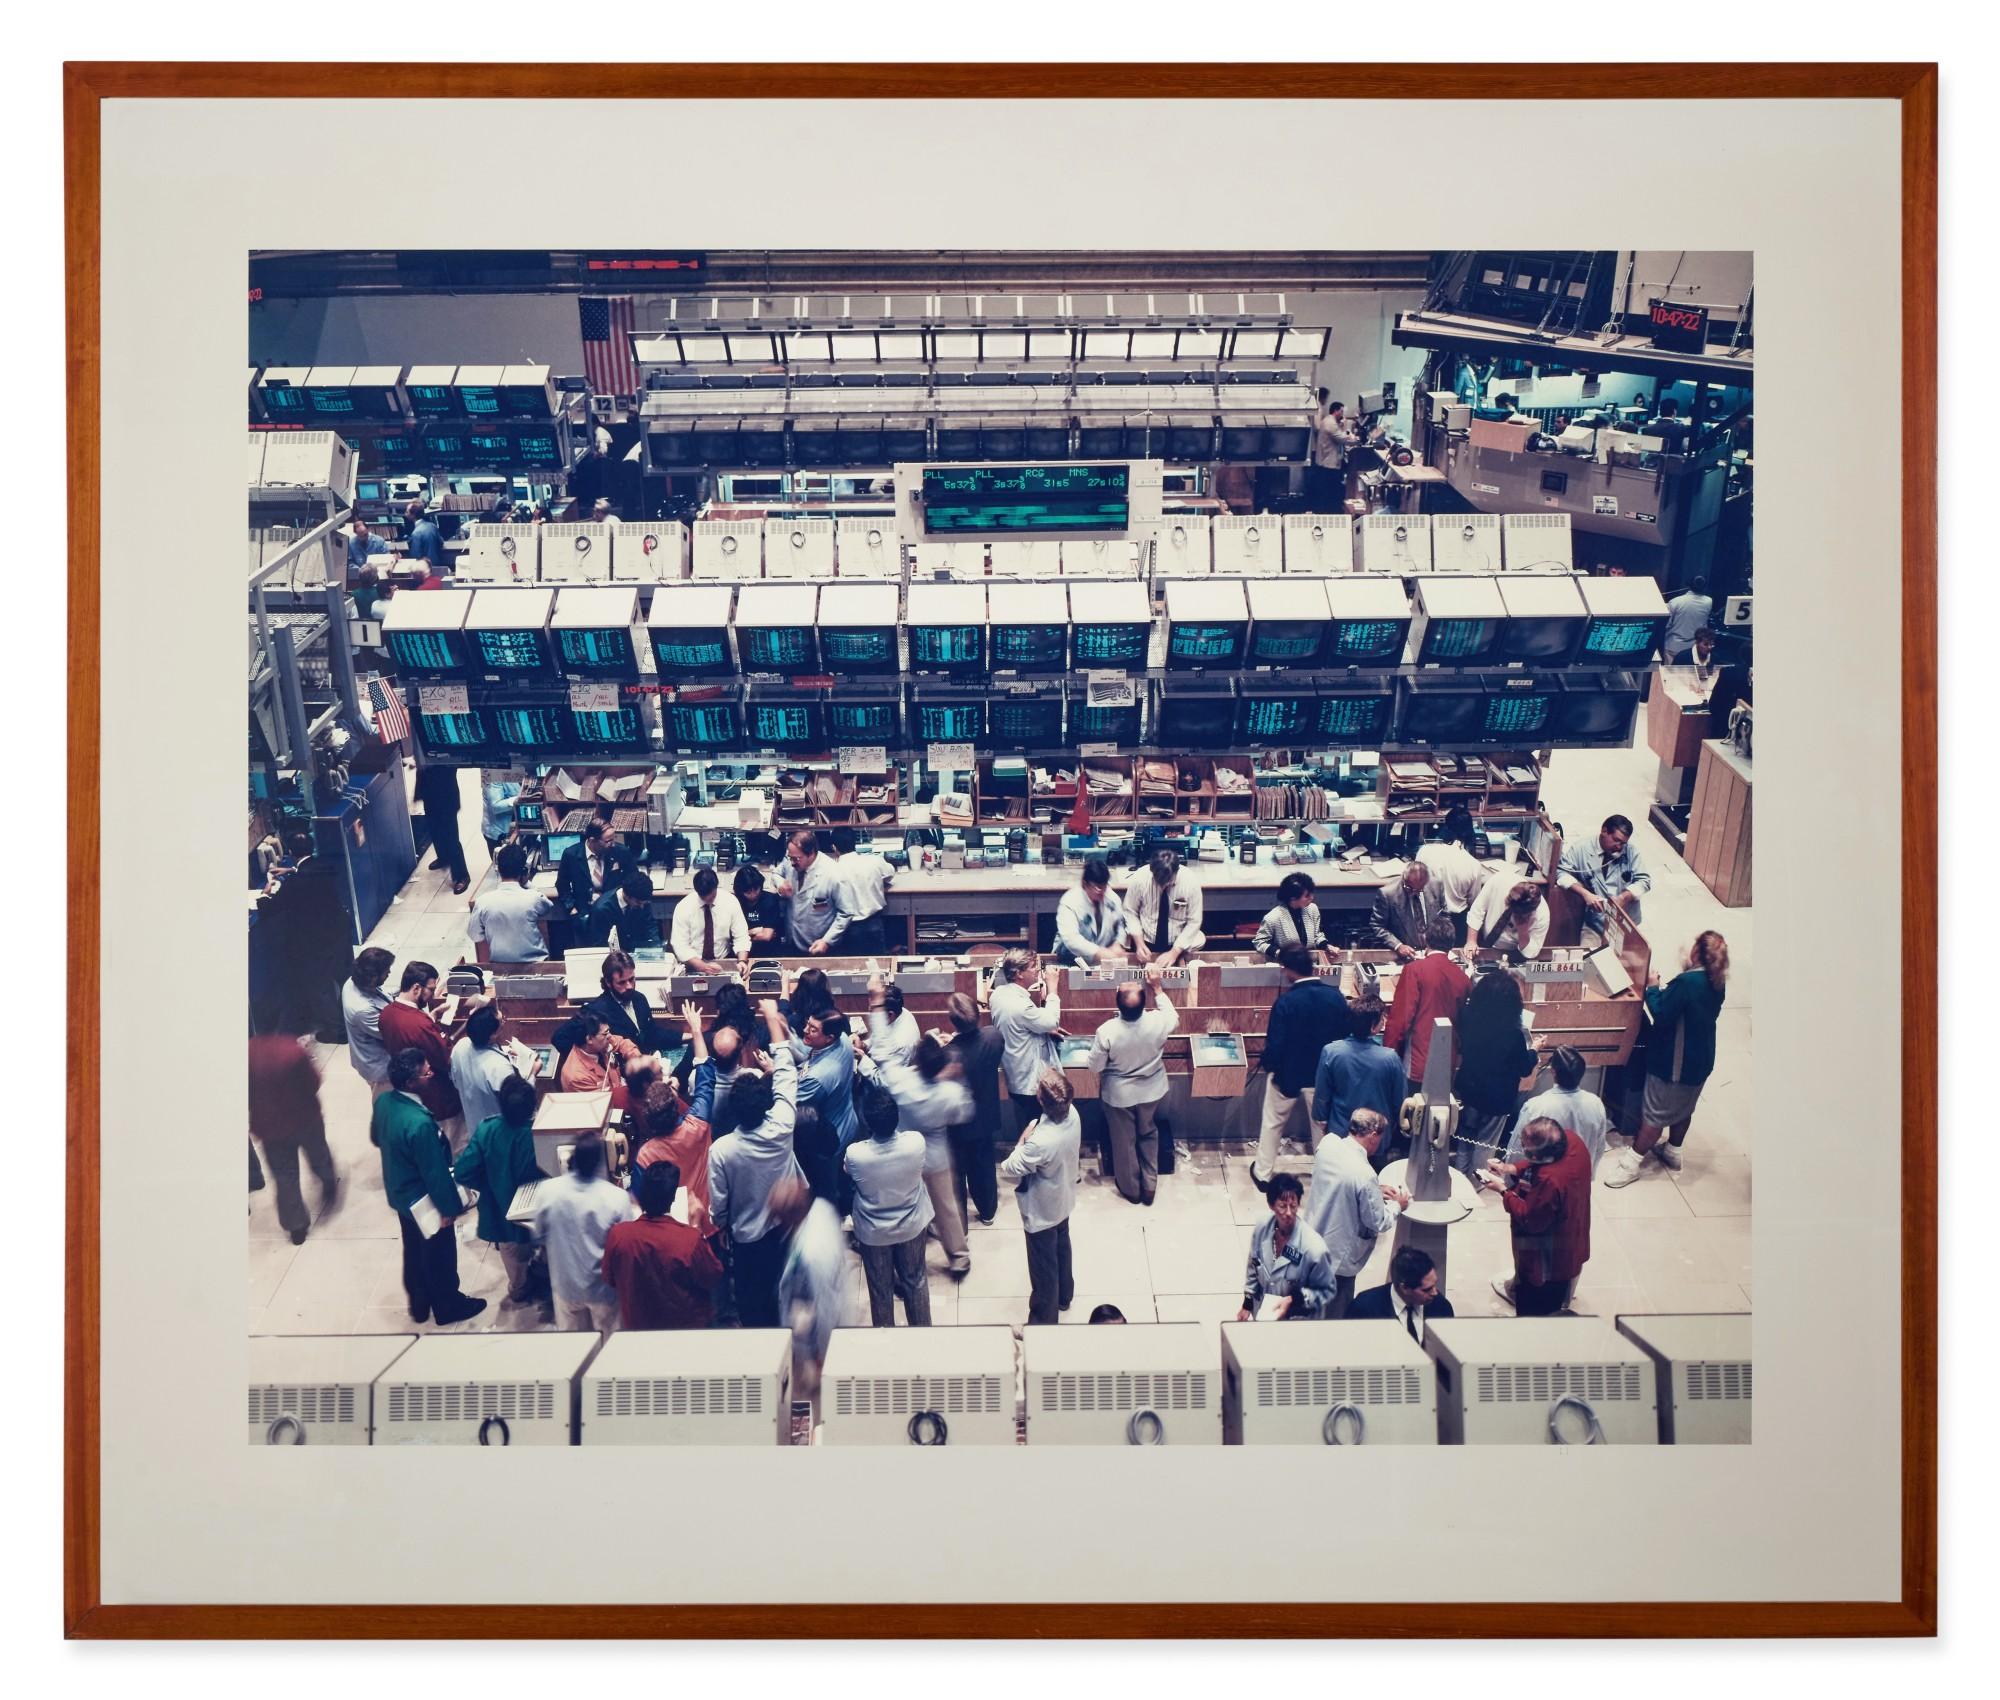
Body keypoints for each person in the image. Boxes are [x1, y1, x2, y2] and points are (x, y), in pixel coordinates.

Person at [1605, 931, 1730, 1187]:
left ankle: (1631, 1164)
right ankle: (1673, 1151)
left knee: (1654, 1115)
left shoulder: (1687, 983)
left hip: (1673, 1064)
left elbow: (1662, 1014)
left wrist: (1652, 987)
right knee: (1685, 1108)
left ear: (1697, 952)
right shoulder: (1717, 980)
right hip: (1700, 1060)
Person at [374, 1048, 485, 1326]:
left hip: (400, 1194)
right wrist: (449, 1209)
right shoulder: (420, 1124)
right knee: (439, 1255)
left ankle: (419, 1305)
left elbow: (377, 1137)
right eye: (426, 1073)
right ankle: (448, 1306)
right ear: (411, 1083)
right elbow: (434, 1173)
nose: (431, 1074)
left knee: (413, 1251)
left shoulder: (385, 1101)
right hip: (424, 1200)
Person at [707, 1038, 804, 1327]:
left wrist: (720, 1223)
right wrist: (780, 1043)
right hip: (784, 1228)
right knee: (783, 1293)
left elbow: (719, 1199)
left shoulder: (722, 1150)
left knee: (751, 1303)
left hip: (747, 1237)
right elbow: (787, 1082)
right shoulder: (782, 1126)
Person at [874, 1027, 975, 1278]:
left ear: (917, 1062)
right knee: (947, 1208)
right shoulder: (950, 1092)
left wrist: (876, 1009)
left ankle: (905, 1264)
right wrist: (954, 1079)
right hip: (937, 1156)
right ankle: (959, 1258)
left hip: (905, 1154)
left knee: (904, 1208)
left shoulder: (901, 1082)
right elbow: (963, 1113)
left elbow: (882, 1056)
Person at [1252, 945, 1351, 1190]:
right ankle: (1324, 1175)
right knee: (1321, 1129)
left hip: (1288, 1076)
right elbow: (1344, 1038)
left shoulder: (1285, 1002)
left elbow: (1275, 1045)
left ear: (1287, 970)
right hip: (1323, 1077)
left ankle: (1263, 1174)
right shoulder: (1336, 997)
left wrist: (1270, 1068)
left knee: (1273, 1123)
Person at [843, 1076, 933, 1326]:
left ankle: (885, 1340)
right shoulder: (916, 1142)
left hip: (874, 1232)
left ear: (867, 1122)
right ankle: (924, 1334)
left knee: (880, 1289)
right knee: (916, 1281)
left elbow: (847, 1171)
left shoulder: (856, 1154)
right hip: (912, 1224)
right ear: (896, 1117)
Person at [1302, 1108, 1407, 1317]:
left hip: (1312, 1239)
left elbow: (1341, 1181)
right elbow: (1378, 1222)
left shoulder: (1328, 1144)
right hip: (1338, 1259)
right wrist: (1398, 1205)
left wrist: (1375, 1190)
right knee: (1336, 1314)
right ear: (1373, 1135)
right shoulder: (1364, 1174)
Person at [1087, 963, 1178, 1206]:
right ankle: (1149, 1186)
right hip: (1152, 1090)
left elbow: (1094, 1066)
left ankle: (1131, 1189)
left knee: (1124, 1141)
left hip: (1119, 1096)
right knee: (1148, 1133)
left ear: (1117, 1004)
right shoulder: (1159, 1021)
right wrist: (1157, 988)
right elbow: (1173, 1017)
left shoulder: (1107, 1031)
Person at [451, 1073, 546, 1305]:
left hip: (501, 1209)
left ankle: (519, 1289)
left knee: (512, 1253)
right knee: (545, 1245)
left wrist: (490, 1184)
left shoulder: (487, 1129)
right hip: (538, 1207)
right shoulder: (540, 1134)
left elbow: (463, 1171)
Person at [1481, 1115, 1591, 1315]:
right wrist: (1510, 1168)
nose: (1522, 1149)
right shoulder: (1572, 1140)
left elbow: (1530, 1219)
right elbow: (1535, 1163)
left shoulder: (1550, 1181)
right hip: (1572, 1236)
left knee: (1536, 1309)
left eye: (1525, 1147)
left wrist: (1503, 1191)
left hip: (1548, 1258)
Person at [1000, 1066, 1082, 1325]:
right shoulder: (1074, 1114)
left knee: (1043, 1268)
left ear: (1041, 1101)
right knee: (1062, 1247)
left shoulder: (1040, 1141)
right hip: (1064, 1196)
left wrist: (1024, 1138)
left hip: (1042, 1209)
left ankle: (1043, 1322)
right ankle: (1065, 1296)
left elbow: (1010, 1166)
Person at [602, 1157, 725, 1330]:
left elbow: (609, 1278)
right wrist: (697, 1225)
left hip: (638, 1327)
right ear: (673, 1197)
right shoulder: (690, 1239)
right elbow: (712, 1276)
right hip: (686, 1329)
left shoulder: (618, 1235)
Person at [534, 1134, 637, 1333]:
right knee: (609, 1340)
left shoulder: (548, 1191)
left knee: (573, 1344)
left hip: (565, 1284)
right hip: (602, 1288)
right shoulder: (616, 1198)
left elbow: (539, 1234)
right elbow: (626, 1245)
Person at [772, 1173, 855, 1412]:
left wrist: (821, 1355)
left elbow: (825, 1305)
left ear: (788, 1216)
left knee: (819, 1405)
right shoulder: (820, 1209)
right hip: (811, 1321)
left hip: (818, 1342)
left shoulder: (813, 1254)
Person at [248, 1034, 340, 1246]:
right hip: (304, 1118)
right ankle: (328, 1182)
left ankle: (296, 1226)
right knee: (318, 1154)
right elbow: (313, 1082)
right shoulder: (292, 1051)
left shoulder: (247, 1053)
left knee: (284, 1176)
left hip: (270, 1126)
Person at [1451, 969, 1536, 1176]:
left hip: (1470, 1089)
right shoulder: (1514, 1035)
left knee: (1466, 1137)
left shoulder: (1467, 1020)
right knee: (1485, 1144)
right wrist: (1534, 1051)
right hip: (1497, 1099)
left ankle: (1460, 1176)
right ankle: (1477, 1182)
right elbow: (1525, 1068)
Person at [377, 960, 466, 1150]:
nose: (432, 995)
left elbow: (410, 1038)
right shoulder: (420, 1024)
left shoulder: (386, 1015)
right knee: (455, 1148)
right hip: (440, 1099)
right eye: (431, 989)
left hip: (412, 1095)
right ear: (416, 988)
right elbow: (446, 1059)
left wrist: (429, 1019)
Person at [767, 998, 860, 1174]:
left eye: (813, 1029)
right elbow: (809, 1052)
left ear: (829, 1038)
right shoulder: (842, 1039)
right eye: (807, 1024)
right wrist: (786, 1031)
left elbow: (787, 1098)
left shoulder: (818, 1077)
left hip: (830, 1138)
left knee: (827, 1180)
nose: (805, 1030)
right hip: (846, 1116)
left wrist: (775, 1069)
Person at [1313, 996, 1408, 1160]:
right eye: (1382, 1018)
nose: (1384, 1021)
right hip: (1376, 1138)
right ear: (1373, 1026)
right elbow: (1399, 1102)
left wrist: (1322, 1120)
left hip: (1341, 1132)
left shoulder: (1331, 1052)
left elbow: (1322, 1095)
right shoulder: (1390, 1058)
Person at [1382, 915, 1471, 1087]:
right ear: (1452, 943)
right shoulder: (1463, 978)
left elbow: (1401, 1019)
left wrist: (1387, 1055)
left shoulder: (1414, 970)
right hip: (1447, 1061)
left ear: (1426, 939)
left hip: (1417, 1060)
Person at [1238, 1173, 1338, 1321]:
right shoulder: (1261, 1228)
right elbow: (1253, 1265)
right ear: (1271, 1205)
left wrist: (1294, 1299)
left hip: (1295, 1320)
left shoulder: (1315, 1249)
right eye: (1283, 1206)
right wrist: (1247, 1303)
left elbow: (1328, 1290)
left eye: (1293, 1206)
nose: (1289, 1213)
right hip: (1264, 1314)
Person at [942, 991, 1004, 1228]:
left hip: (957, 1122)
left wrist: (949, 1042)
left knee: (957, 1173)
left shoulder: (948, 1053)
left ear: (952, 1021)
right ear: (978, 1015)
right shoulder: (993, 1037)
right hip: (985, 1116)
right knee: (984, 1167)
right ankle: (988, 1212)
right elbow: (977, 1045)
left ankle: (961, 1225)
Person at [1504, 1044, 1610, 1174]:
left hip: (1545, 1180)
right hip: (1579, 1176)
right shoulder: (1596, 1103)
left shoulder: (1536, 1106)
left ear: (1553, 1072)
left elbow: (1517, 1149)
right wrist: (1589, 1175)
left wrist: (1509, 1176)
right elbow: (1599, 1147)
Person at [989, 949, 1064, 1133]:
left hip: (1017, 1076)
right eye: (1032, 967)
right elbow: (1052, 1020)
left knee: (1026, 1126)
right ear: (1018, 974)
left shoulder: (998, 994)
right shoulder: (1022, 1006)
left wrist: (1044, 1029)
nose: (1037, 970)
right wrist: (1052, 989)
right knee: (1035, 1131)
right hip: (1029, 1083)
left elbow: (1020, 1024)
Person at [1557, 814, 1651, 941]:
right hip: (1595, 923)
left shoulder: (1630, 852)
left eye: (1623, 843)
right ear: (1604, 831)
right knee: (1587, 952)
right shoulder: (1581, 849)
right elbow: (1561, 872)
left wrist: (1624, 897)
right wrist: (1585, 893)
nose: (1619, 847)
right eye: (1616, 840)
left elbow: (1644, 881)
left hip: (1624, 925)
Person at [448, 1003, 523, 1150]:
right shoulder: (499, 1067)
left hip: (475, 1129)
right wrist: (532, 1073)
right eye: (502, 1022)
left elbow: (455, 1080)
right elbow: (519, 1104)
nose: (504, 1022)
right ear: (493, 1035)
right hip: (501, 1137)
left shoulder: (460, 1047)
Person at [466, 842, 555, 964]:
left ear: (498, 869)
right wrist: (527, 883)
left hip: (500, 966)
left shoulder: (482, 902)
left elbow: (475, 935)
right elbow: (548, 907)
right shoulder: (533, 898)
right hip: (536, 964)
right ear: (523, 871)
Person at [1346, 1245, 1455, 1343]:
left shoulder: (1441, 1307)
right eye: (1427, 1289)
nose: (1435, 1293)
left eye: (1435, 1284)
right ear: (1405, 1288)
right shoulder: (1365, 1308)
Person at [1414, 806, 1489, 945]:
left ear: (1446, 827)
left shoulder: (1425, 851)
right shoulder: (1474, 865)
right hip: (1456, 924)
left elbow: (1415, 883)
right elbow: (1474, 902)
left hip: (1427, 918)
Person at [776, 829, 854, 955]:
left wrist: (827, 941)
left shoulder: (834, 874)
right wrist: (780, 884)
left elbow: (846, 913)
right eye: (790, 858)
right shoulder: (791, 860)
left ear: (811, 853)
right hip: (792, 940)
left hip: (819, 945)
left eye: (796, 859)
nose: (792, 863)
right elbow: (776, 874)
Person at [1123, 848, 1205, 967]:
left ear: (1177, 871)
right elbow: (1130, 912)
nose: (1164, 886)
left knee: (1199, 939)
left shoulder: (1191, 882)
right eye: (1159, 883)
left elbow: (1194, 921)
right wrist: (1139, 943)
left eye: (1169, 882)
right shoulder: (1139, 878)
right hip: (1146, 939)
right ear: (1152, 871)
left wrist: (1174, 952)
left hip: (1177, 942)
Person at [557, 817, 636, 934]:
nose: (613, 844)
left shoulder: (621, 852)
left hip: (614, 912)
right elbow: (562, 885)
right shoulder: (571, 855)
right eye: (608, 841)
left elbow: (633, 879)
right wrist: (571, 909)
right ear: (592, 840)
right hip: (584, 915)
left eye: (613, 839)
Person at [340, 947, 396, 1102]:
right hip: (379, 1068)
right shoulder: (362, 1010)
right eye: (386, 971)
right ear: (373, 977)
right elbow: (393, 1034)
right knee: (386, 1105)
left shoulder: (353, 981)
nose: (389, 973)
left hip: (375, 1058)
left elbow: (381, 995)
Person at [829, 825, 894, 955]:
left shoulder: (832, 870)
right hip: (873, 922)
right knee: (877, 963)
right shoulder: (874, 861)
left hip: (847, 927)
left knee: (853, 964)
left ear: (834, 848)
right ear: (855, 843)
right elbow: (890, 874)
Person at [668, 865, 748, 970]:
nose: (708, 898)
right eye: (703, 896)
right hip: (693, 962)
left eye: (712, 895)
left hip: (723, 959)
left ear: (716, 887)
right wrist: (702, 966)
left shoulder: (730, 901)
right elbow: (680, 945)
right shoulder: (684, 907)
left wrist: (742, 961)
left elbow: (741, 936)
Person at [1053, 857, 1130, 965]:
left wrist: (1118, 943)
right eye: (1097, 887)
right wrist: (1099, 952)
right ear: (1084, 883)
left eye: (1104, 886)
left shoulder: (1112, 897)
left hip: (1103, 961)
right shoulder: (1069, 902)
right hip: (1071, 959)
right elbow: (1071, 939)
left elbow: (1121, 924)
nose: (1101, 891)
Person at [588, 949, 665, 1054]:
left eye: (631, 979)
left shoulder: (640, 998)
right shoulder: (597, 1010)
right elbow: (562, 1038)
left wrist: (687, 1035)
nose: (629, 986)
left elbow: (652, 1034)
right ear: (608, 982)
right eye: (621, 982)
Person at [412, 762, 470, 894]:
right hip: (429, 795)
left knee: (451, 838)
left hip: (446, 795)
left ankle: (462, 875)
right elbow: (421, 768)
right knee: (434, 831)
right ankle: (443, 857)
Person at [557, 1009, 638, 1101]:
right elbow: (603, 1101)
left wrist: (636, 1058)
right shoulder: (576, 1077)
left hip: (621, 1089)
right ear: (589, 1039)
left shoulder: (601, 1043)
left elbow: (621, 1043)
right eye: (605, 1033)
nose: (610, 1036)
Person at [1464, 875, 1549, 960]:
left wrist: (1523, 932)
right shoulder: (1500, 880)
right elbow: (1477, 910)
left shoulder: (1542, 916)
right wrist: (1471, 941)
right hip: (1483, 941)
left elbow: (1531, 953)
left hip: (1512, 953)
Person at [1368, 864, 1441, 960]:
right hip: (1407, 954)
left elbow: (1444, 915)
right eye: (1411, 889)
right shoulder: (1387, 893)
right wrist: (1398, 945)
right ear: (1404, 878)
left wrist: (1440, 943)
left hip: (1433, 951)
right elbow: (1377, 926)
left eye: (1419, 890)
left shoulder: (1436, 885)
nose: (1415, 892)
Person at [1253, 871, 1327, 959]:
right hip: (1286, 962)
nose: (1312, 897)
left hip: (1309, 961)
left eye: (1311, 893)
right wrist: (1279, 953)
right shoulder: (1273, 917)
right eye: (1307, 895)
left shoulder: (1312, 909)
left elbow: (1316, 936)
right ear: (1293, 898)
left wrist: (1326, 946)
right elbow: (1259, 942)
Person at [592, 872, 665, 954]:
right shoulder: (602, 910)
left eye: (644, 903)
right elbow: (601, 943)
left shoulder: (641, 899)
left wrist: (654, 945)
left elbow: (650, 924)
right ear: (626, 895)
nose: (642, 907)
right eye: (638, 902)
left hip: (639, 950)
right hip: (617, 955)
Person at [865, 981, 921, 1070]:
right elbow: (880, 1032)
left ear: (890, 1014)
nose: (870, 1012)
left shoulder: (901, 1044)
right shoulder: (900, 1011)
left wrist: (862, 1059)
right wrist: (864, 1045)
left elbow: (882, 1077)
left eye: (873, 1010)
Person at [1662, 575, 1714, 662]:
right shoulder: (1708, 601)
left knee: (1672, 670)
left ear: (1688, 585)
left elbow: (1666, 625)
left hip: (1674, 647)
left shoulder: (1675, 602)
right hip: (1694, 648)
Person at [734, 863, 784, 952]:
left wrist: (742, 936)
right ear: (740, 891)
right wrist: (753, 931)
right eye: (748, 892)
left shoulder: (770, 900)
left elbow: (766, 936)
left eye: (756, 889)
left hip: (769, 951)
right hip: (743, 950)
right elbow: (731, 936)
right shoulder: (735, 902)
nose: (753, 894)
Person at [480, 776, 522, 862]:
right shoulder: (492, 774)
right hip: (499, 833)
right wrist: (521, 799)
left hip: (517, 828)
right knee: (504, 866)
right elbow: (495, 806)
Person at [403, 499, 445, 575]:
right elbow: (441, 542)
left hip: (425, 571)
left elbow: (415, 557)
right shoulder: (432, 526)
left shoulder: (416, 533)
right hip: (438, 568)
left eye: (407, 512)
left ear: (413, 515)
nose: (405, 514)